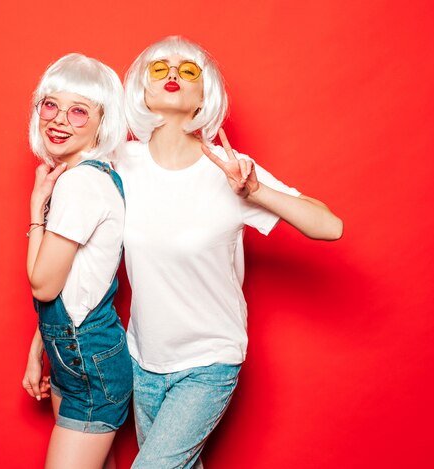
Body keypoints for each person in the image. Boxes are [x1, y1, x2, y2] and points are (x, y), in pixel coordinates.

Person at [117, 36, 343, 468]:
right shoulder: (121, 163)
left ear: (205, 94)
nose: (172, 75)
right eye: (159, 68)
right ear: (141, 90)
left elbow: (330, 226)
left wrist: (256, 192)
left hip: (209, 360)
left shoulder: (231, 170)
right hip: (142, 359)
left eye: (188, 71)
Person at [21, 53, 132, 469]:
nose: (60, 119)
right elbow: (73, 283)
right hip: (73, 353)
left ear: (103, 123)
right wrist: (41, 348)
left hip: (89, 360)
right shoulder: (83, 177)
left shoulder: (80, 184)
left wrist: (36, 209)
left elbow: (43, 284)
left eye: (79, 111)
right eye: (51, 105)